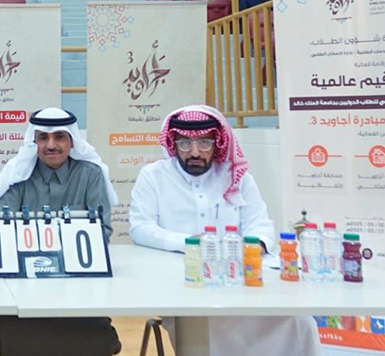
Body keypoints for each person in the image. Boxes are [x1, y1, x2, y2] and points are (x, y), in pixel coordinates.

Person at [129, 105, 321, 356]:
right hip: (182, 285)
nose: (194, 152)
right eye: (185, 144)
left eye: (204, 143)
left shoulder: (237, 177)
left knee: (300, 321)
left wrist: (253, 246)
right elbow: (140, 228)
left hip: (241, 280)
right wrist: (190, 243)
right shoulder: (154, 176)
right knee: (204, 328)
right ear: (173, 143)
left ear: (218, 143)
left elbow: (260, 224)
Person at [0, 108, 122, 356]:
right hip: (25, 289)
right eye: (43, 137)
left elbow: (101, 233)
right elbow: (7, 235)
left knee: (96, 341)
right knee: (15, 341)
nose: (51, 145)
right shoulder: (16, 176)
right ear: (34, 141)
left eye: (60, 137)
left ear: (72, 141)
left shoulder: (90, 175)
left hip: (79, 288)